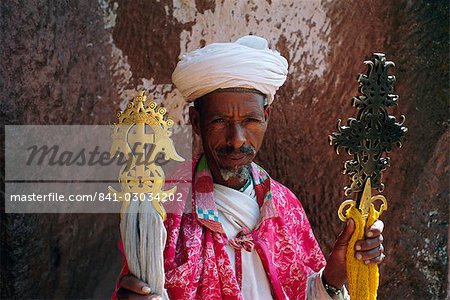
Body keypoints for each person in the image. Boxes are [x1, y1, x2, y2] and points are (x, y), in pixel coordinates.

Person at [113, 35, 385, 300]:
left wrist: (335, 275)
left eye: (251, 121)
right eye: (219, 121)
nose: (237, 139)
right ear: (196, 121)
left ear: (266, 117)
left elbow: (302, 293)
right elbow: (142, 288)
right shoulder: (164, 205)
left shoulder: (284, 204)